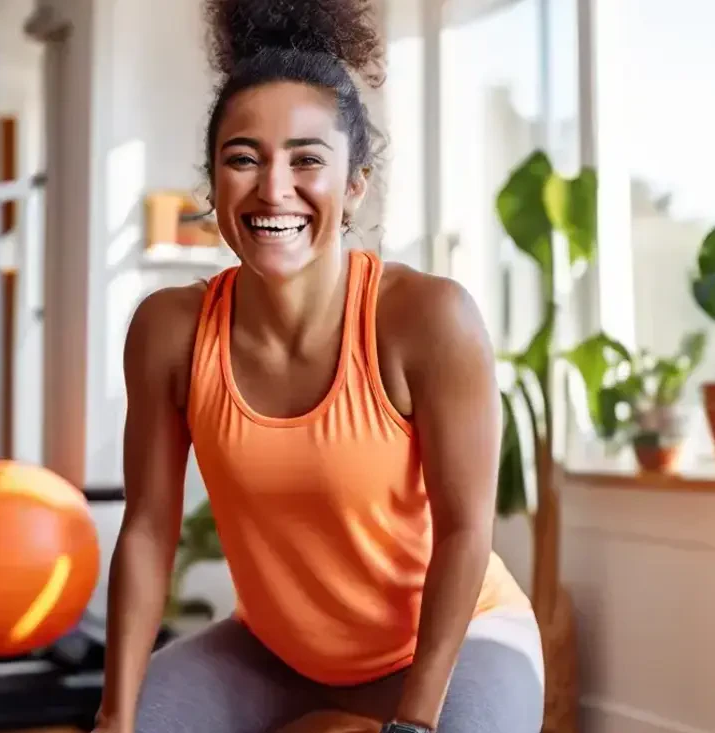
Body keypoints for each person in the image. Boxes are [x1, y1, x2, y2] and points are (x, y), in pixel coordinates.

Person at [93, 1, 545, 732]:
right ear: (213, 183)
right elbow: (148, 528)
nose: (274, 188)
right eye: (244, 158)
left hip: (452, 645)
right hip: (275, 654)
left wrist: (417, 721)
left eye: (307, 159)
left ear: (356, 183)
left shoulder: (427, 319)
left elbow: (465, 531)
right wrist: (113, 718)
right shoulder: (170, 330)